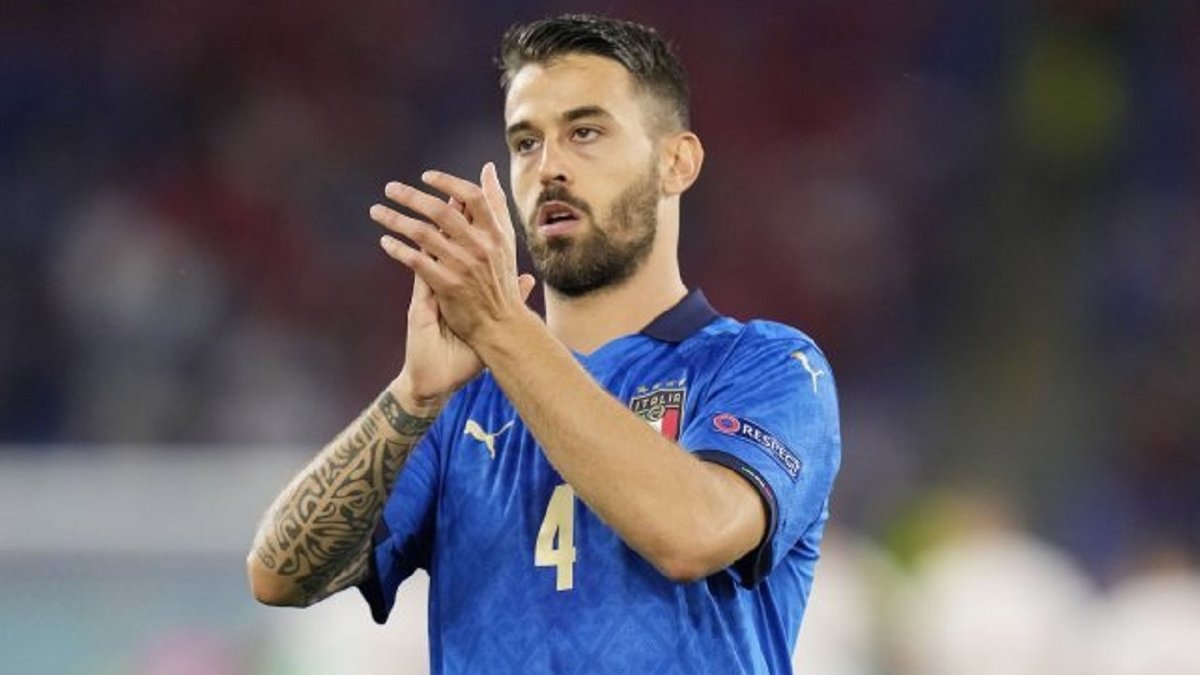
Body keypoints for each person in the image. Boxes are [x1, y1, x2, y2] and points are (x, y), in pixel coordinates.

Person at [247, 14, 841, 674]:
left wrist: (503, 327)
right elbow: (279, 576)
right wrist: (412, 394)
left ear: (676, 162)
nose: (549, 167)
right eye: (526, 142)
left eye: (585, 132)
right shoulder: (459, 406)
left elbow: (693, 535)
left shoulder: (768, 366)